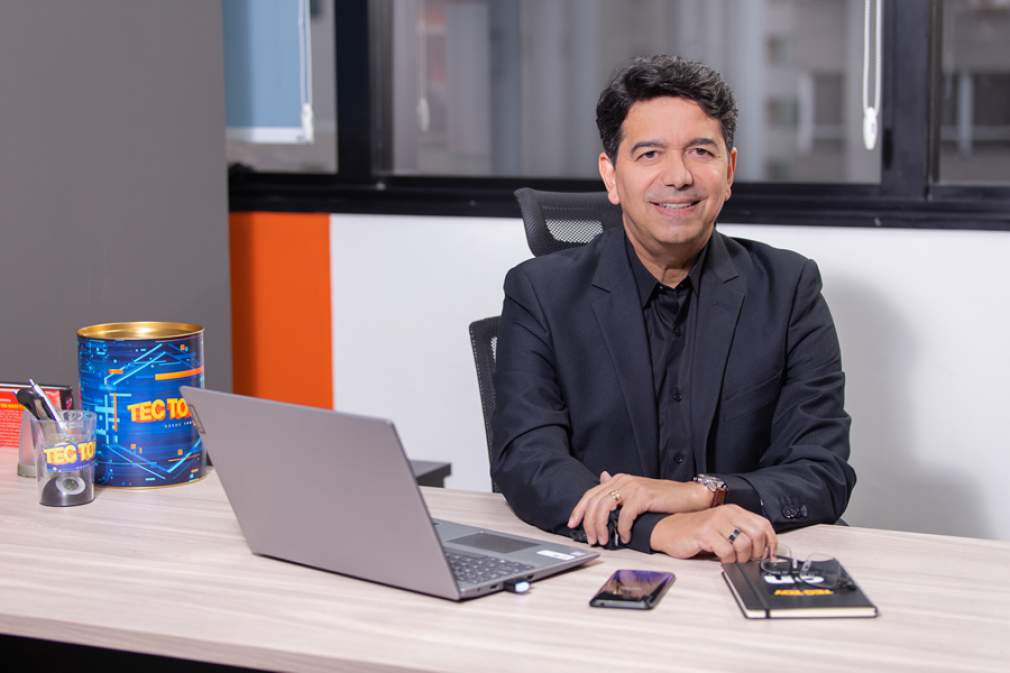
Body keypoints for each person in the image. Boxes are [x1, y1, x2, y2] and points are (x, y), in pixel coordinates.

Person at [490, 55, 856, 564]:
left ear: (728, 171)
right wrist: (659, 530)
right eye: (649, 154)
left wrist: (700, 495)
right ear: (611, 175)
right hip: (606, 564)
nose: (679, 176)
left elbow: (823, 472)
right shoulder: (540, 293)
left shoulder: (789, 289)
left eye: (701, 152)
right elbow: (528, 461)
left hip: (747, 560)